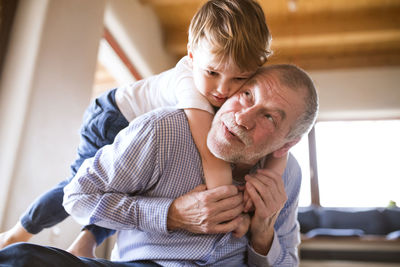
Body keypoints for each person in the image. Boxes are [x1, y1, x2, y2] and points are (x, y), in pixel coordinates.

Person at [0, 0, 271, 257]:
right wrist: (234, 215)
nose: (223, 89)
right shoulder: (188, 82)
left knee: (132, 187)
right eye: (212, 73)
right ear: (191, 56)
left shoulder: (224, 90)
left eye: (239, 78)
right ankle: (18, 232)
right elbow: (209, 153)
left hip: (137, 126)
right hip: (112, 116)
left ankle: (84, 243)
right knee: (77, 185)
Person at [0, 64, 319, 266]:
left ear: (286, 145)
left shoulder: (287, 177)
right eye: (247, 94)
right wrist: (171, 215)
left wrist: (263, 235)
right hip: (147, 264)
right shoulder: (164, 131)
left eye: (268, 116)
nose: (242, 117)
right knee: (20, 260)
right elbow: (77, 197)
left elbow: (288, 261)